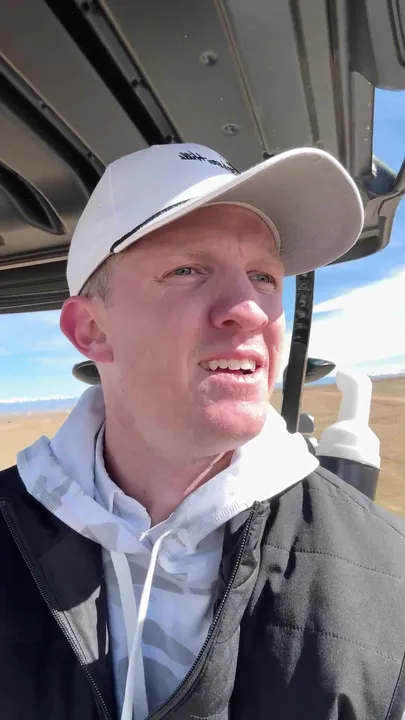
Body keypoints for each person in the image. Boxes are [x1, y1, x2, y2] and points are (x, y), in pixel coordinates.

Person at [1, 143, 405, 720]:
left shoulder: (390, 573)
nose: (250, 309)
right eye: (186, 270)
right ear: (92, 329)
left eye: (264, 276)